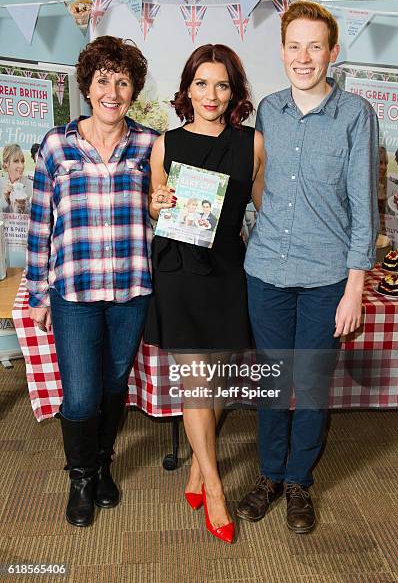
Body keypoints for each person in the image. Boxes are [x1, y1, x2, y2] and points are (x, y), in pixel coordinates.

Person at [237, 1, 379, 533]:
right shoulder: (268, 111)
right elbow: (257, 188)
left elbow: (365, 206)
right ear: (281, 52)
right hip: (266, 271)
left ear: (332, 52)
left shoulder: (356, 114)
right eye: (293, 45)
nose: (303, 56)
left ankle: (299, 480)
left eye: (314, 46)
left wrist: (354, 287)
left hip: (326, 279)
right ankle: (270, 475)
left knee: (313, 385)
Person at [26, 36, 159, 527]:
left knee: (112, 385)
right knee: (80, 394)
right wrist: (39, 294)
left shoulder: (149, 144)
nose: (112, 90)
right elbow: (41, 222)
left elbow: (162, 211)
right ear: (88, 85)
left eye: (122, 81)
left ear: (133, 90)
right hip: (74, 293)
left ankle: (102, 466)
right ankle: (80, 478)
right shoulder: (57, 144)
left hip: (131, 290)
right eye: (103, 79)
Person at [144, 44, 265, 544]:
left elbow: (268, 214)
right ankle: (214, 487)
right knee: (197, 380)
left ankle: (197, 465)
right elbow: (156, 210)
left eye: (221, 85)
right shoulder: (164, 144)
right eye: (201, 83)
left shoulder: (252, 143)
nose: (211, 95)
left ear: (234, 91)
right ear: (186, 88)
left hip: (226, 270)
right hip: (178, 270)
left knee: (217, 379)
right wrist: (157, 203)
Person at [1, 144, 31, 214]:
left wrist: (24, 207)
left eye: (22, 161)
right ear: (6, 164)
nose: (21, 166)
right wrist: (5, 198)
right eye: (16, 161)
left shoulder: (30, 185)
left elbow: (34, 216)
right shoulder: (1, 183)